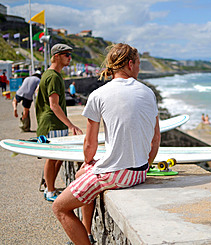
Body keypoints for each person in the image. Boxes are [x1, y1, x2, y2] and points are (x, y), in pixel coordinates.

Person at [52, 43, 161, 245]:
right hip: (140, 171)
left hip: (118, 174)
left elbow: (90, 144)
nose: (138, 68)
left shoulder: (99, 95)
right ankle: (87, 232)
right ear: (130, 64)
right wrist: (145, 166)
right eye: (138, 64)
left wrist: (88, 161)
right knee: (80, 175)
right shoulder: (148, 92)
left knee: (59, 207)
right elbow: (155, 140)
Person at [36, 43, 83, 202]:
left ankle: (50, 186)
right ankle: (50, 190)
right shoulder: (53, 76)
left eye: (70, 55)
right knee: (53, 157)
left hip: (52, 123)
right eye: (66, 55)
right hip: (52, 123)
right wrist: (71, 125)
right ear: (56, 56)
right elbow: (53, 105)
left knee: (58, 157)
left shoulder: (50, 74)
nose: (70, 58)